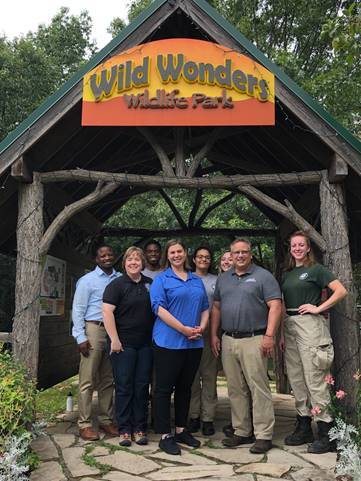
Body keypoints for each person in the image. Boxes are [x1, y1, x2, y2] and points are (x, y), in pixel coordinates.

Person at [211, 238, 282, 454]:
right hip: (229, 338)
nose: (240, 256)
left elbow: (275, 306)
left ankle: (263, 435)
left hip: (255, 339)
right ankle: (241, 431)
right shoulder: (223, 279)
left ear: (250, 254)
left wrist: (269, 335)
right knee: (235, 388)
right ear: (230, 256)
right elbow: (216, 307)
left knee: (258, 387)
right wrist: (214, 334)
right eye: (236, 253)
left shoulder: (263, 276)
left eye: (244, 252)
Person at [280, 230, 347, 454]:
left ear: (308, 248)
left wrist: (318, 308)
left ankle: (327, 431)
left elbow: (340, 291)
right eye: (294, 245)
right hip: (290, 325)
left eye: (301, 245)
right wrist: (281, 333)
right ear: (290, 249)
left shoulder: (316, 270)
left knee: (314, 378)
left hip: (310, 326)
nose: (297, 249)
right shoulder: (288, 273)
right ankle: (303, 425)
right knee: (297, 378)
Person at [150, 239, 209, 455]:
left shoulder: (195, 279)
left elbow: (205, 307)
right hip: (168, 342)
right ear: (168, 255)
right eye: (172, 252)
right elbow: (159, 309)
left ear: (186, 253)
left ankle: (182, 429)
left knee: (186, 388)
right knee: (164, 390)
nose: (176, 255)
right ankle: (165, 435)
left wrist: (201, 327)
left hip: (193, 343)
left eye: (180, 251)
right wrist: (183, 329)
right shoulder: (161, 279)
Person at [102, 246, 154, 447]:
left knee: (142, 386)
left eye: (137, 260)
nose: (134, 262)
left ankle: (140, 428)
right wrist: (114, 339)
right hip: (122, 345)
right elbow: (107, 313)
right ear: (124, 263)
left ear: (143, 263)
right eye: (130, 259)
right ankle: (124, 429)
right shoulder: (116, 285)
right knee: (124, 386)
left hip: (145, 345)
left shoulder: (150, 284)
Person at [72, 245, 120, 441]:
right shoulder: (87, 281)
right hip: (94, 329)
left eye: (110, 254)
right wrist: (80, 336)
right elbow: (78, 309)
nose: (107, 257)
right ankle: (84, 424)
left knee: (108, 380)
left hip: (114, 332)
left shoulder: (119, 279)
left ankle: (106, 420)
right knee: (88, 380)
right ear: (96, 259)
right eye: (102, 255)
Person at [189, 246, 218, 436]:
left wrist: (214, 333)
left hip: (208, 335)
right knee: (191, 378)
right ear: (193, 260)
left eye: (207, 257)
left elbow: (217, 308)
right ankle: (193, 416)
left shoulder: (217, 281)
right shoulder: (186, 278)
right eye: (200, 257)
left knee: (209, 377)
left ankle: (208, 418)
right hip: (188, 335)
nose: (203, 260)